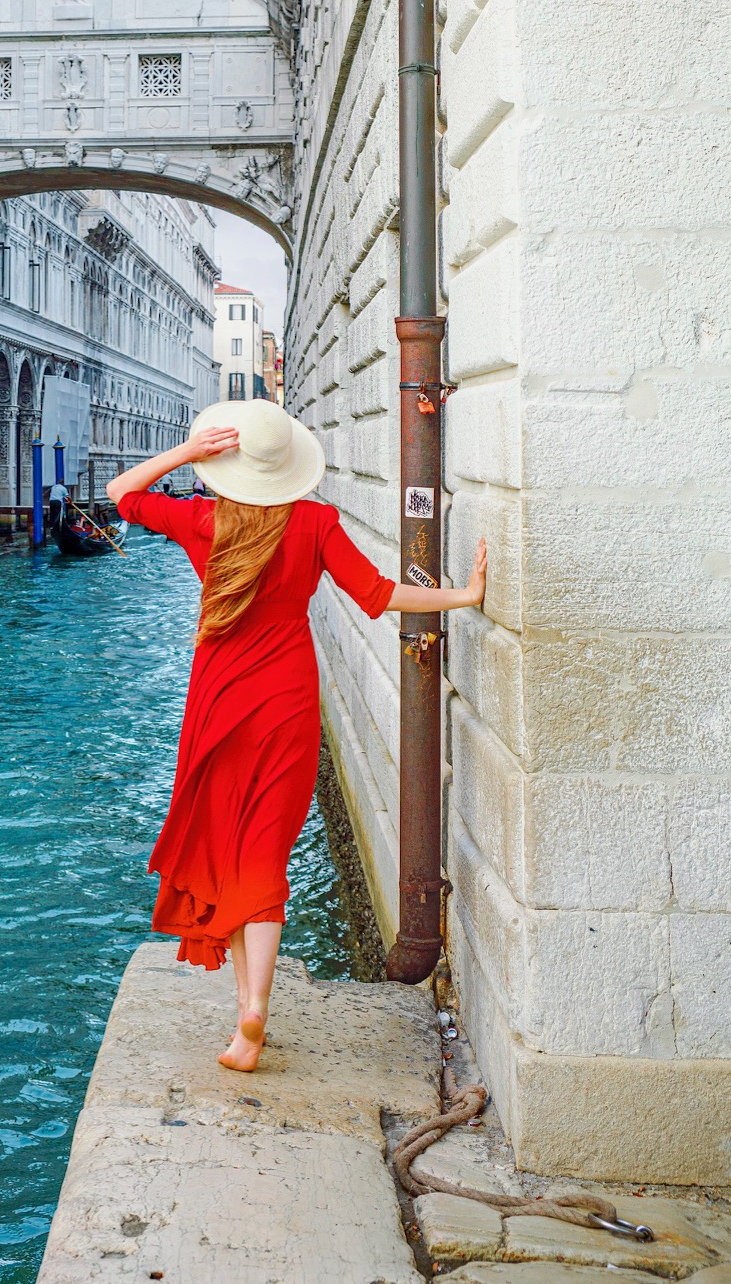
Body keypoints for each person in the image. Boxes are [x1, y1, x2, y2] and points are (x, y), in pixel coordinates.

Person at [107, 400, 486, 1076]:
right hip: (286, 700)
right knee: (267, 852)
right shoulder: (314, 523)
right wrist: (463, 595)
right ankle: (255, 1009)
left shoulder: (204, 519)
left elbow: (120, 495)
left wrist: (187, 455)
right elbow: (375, 593)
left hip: (220, 703)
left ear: (229, 466)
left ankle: (247, 1013)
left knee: (228, 845)